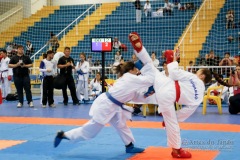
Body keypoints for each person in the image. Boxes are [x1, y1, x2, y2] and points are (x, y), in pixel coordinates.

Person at [128, 32, 212, 158]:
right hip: (168, 98)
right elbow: (188, 110)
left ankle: (139, 49)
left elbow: (174, 73)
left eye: (198, 71)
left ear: (202, 76)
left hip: (165, 86)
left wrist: (173, 61)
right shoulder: (199, 96)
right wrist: (174, 118)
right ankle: (176, 150)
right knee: (173, 125)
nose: (195, 72)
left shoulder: (193, 78)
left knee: (150, 66)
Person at [54, 60, 156, 153]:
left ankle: (129, 145)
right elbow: (150, 79)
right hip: (106, 105)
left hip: (113, 106)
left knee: (121, 125)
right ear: (131, 70)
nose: (138, 71)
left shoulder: (130, 80)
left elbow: (136, 96)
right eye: (136, 69)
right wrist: (142, 66)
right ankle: (64, 135)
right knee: (91, 131)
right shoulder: (130, 77)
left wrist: (146, 94)